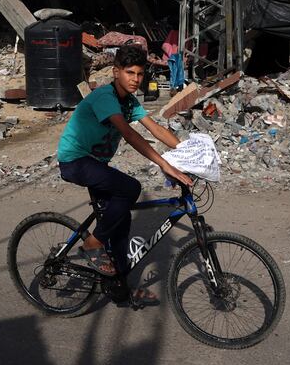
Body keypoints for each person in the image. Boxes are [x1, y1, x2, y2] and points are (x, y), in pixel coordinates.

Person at [57, 44, 193, 304]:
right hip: (76, 161)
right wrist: (165, 164)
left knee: (120, 223)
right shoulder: (105, 97)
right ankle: (93, 243)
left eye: (140, 74)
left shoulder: (129, 102)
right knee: (130, 188)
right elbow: (129, 134)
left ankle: (121, 290)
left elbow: (156, 130)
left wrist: (190, 154)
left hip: (96, 164)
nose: (135, 79)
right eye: (130, 72)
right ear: (116, 72)